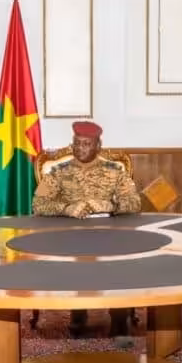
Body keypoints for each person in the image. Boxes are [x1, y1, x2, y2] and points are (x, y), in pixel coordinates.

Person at [32, 120, 141, 340]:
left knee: (116, 261)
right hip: (70, 236)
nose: (80, 149)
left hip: (109, 235)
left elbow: (135, 202)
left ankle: (119, 317)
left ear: (98, 146)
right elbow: (38, 204)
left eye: (86, 144)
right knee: (76, 258)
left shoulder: (114, 171)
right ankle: (78, 314)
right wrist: (66, 208)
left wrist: (111, 206)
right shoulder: (59, 172)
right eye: (77, 143)